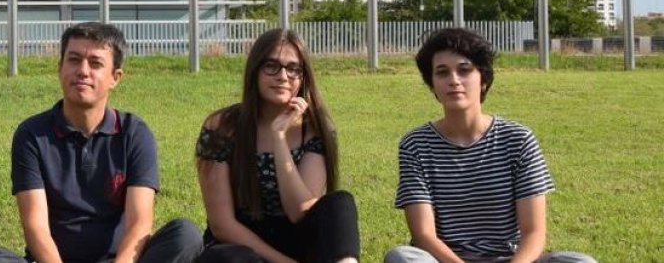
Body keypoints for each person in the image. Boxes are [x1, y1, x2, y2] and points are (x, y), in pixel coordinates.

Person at [0, 22, 202, 263]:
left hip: (118, 259)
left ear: (115, 77)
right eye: (73, 60)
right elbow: (36, 226)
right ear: (60, 68)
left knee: (185, 235)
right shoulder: (32, 134)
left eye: (95, 63)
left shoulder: (134, 133)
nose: (83, 71)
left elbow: (139, 222)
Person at [385, 27, 596, 263]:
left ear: (483, 79)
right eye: (442, 73)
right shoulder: (415, 145)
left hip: (510, 258)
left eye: (464, 70)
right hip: (445, 260)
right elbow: (423, 235)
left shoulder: (519, 139)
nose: (454, 80)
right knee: (402, 257)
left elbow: (533, 233)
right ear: (432, 85)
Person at [194, 29, 359, 263]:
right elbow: (222, 225)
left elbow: (299, 211)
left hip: (296, 240)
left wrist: (279, 137)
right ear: (255, 71)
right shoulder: (222, 127)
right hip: (240, 245)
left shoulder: (315, 129)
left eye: (294, 69)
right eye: (272, 66)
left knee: (340, 203)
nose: (283, 76)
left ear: (303, 78)